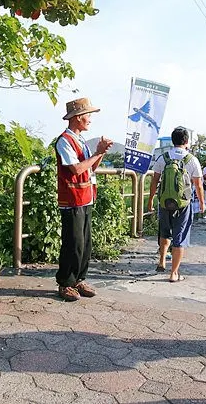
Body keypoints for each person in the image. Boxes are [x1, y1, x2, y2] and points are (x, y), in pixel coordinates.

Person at [54, 98, 113, 302]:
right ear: (78, 118)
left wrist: (100, 153)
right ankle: (65, 282)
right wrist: (97, 152)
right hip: (72, 199)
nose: (90, 119)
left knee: (85, 243)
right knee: (73, 242)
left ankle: (79, 278)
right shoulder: (64, 141)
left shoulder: (80, 141)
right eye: (88, 115)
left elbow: (90, 168)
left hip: (85, 198)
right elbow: (76, 169)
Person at [147, 127, 205, 282]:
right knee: (180, 237)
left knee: (164, 232)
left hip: (165, 202)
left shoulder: (163, 158)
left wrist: (151, 199)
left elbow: (154, 181)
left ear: (173, 140)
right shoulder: (191, 159)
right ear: (186, 141)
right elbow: (198, 185)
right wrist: (201, 202)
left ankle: (161, 262)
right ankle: (174, 273)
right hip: (183, 204)